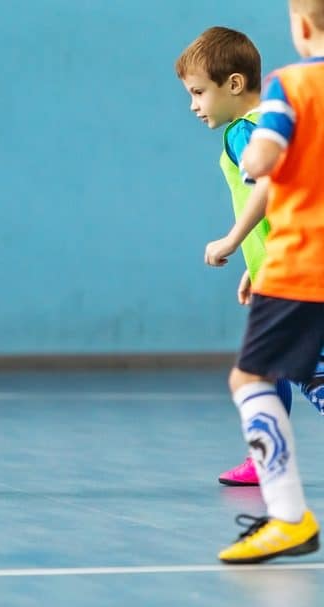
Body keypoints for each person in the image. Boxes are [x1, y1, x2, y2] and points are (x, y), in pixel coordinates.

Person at [175, 26, 324, 487]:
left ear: (234, 84)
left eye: (199, 92)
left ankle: (269, 460)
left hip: (295, 269)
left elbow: (268, 184)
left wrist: (232, 240)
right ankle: (265, 459)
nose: (194, 105)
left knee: (288, 368)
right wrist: (254, 267)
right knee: (269, 367)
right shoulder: (277, 123)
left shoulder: (246, 132)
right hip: (279, 266)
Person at [203, 0, 324, 563]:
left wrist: (232, 240)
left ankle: (288, 516)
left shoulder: (289, 87)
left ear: (301, 26)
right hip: (285, 262)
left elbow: (267, 163)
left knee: (250, 378)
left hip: (304, 262)